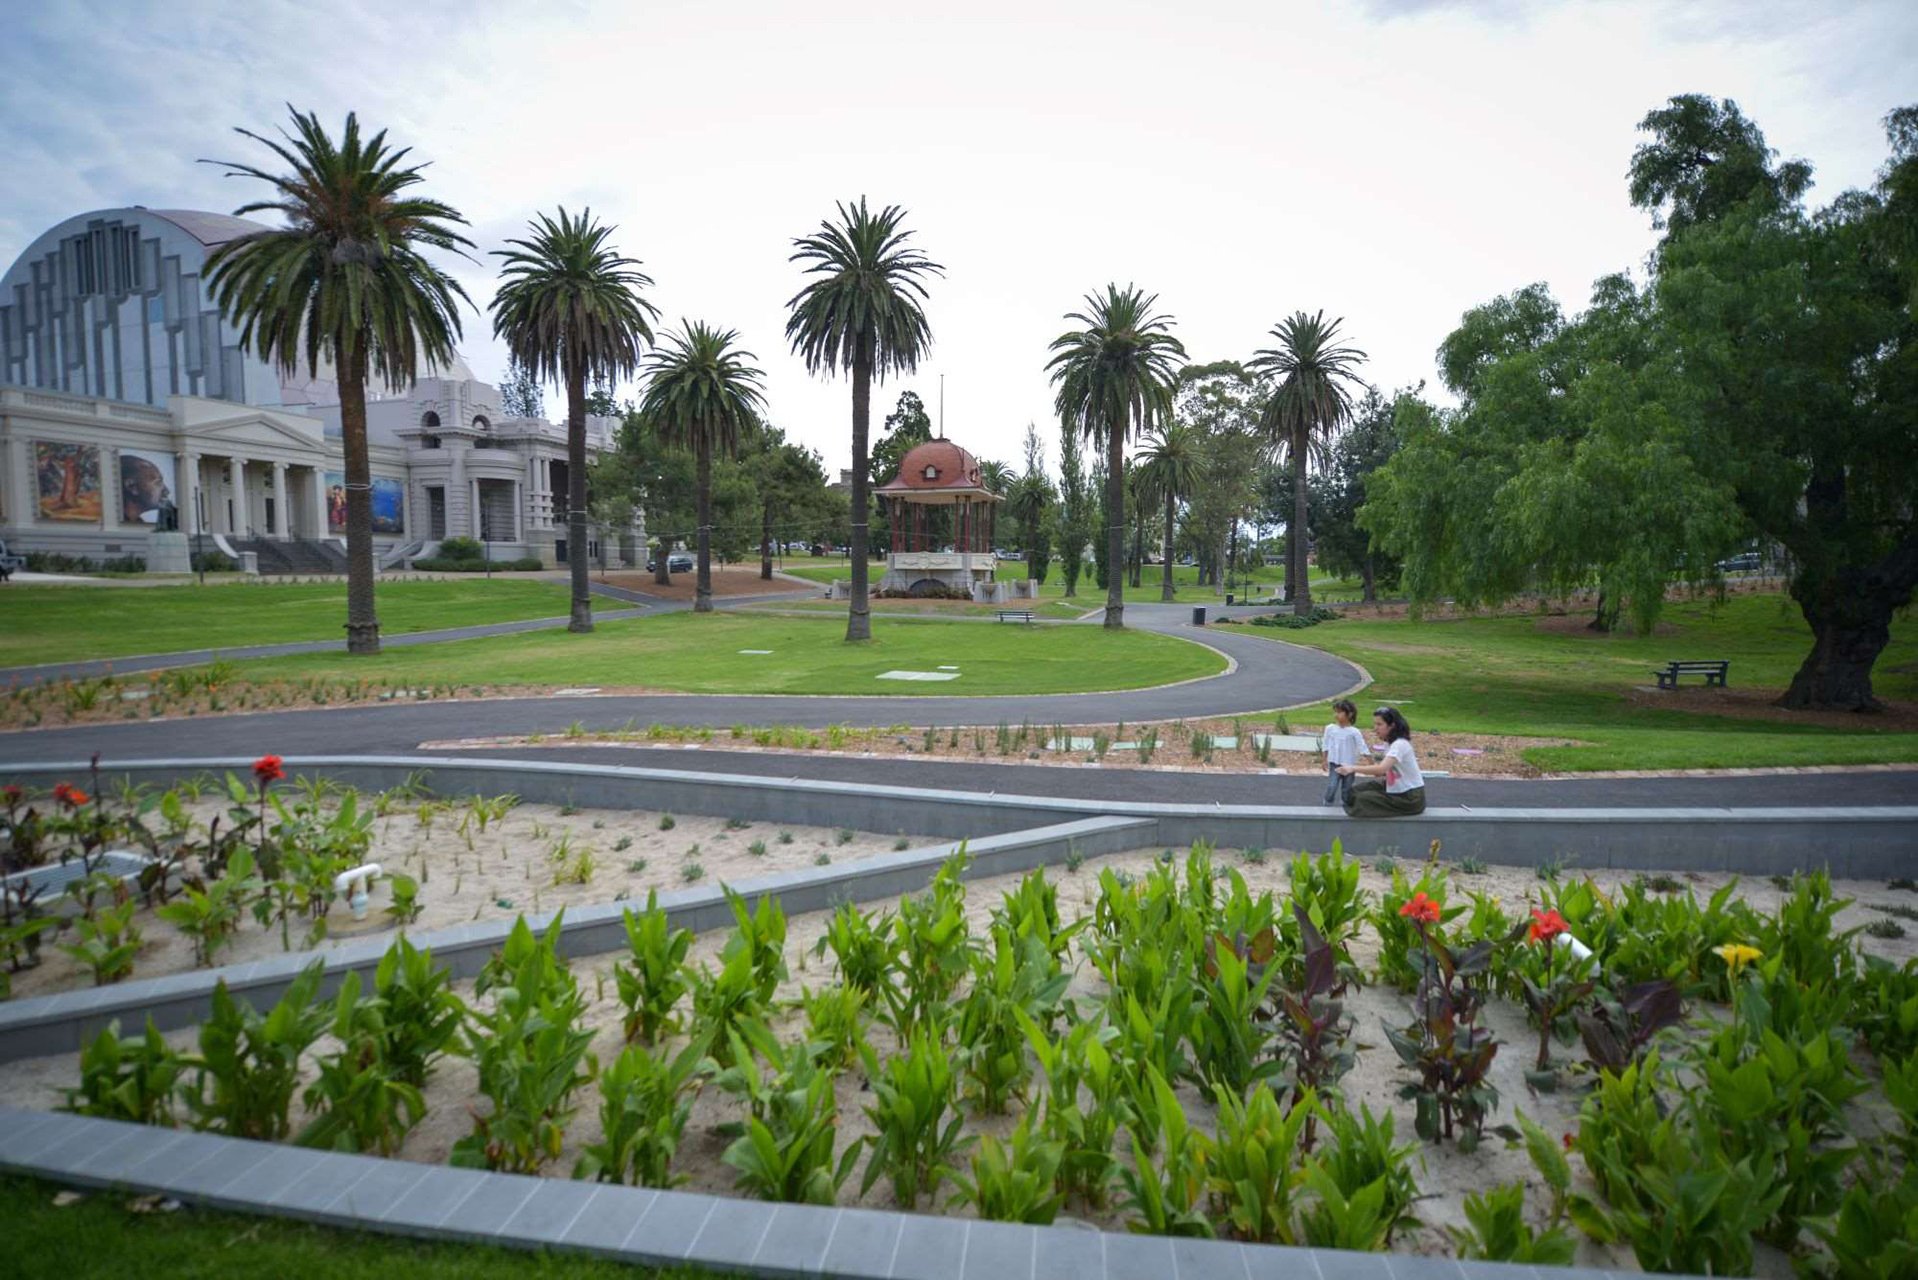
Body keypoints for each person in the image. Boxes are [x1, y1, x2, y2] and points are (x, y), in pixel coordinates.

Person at [1338, 706, 1426, 817]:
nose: (1375, 728)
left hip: (1410, 797)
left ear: (1392, 726)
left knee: (1364, 799)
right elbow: (1383, 772)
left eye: (1379, 724)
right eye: (1375, 724)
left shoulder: (1400, 744)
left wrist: (1352, 768)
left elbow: (1381, 769)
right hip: (1396, 790)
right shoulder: (1389, 744)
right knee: (1355, 792)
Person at [1320, 698, 1368, 807]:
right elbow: (1325, 745)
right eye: (1335, 712)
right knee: (1332, 785)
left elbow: (1362, 747)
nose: (1336, 715)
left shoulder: (1354, 732)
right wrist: (1324, 760)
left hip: (1349, 765)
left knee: (1347, 787)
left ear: (1349, 714)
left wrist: (1371, 762)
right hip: (1335, 763)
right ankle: (1327, 803)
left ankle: (1345, 804)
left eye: (1340, 712)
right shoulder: (1330, 728)